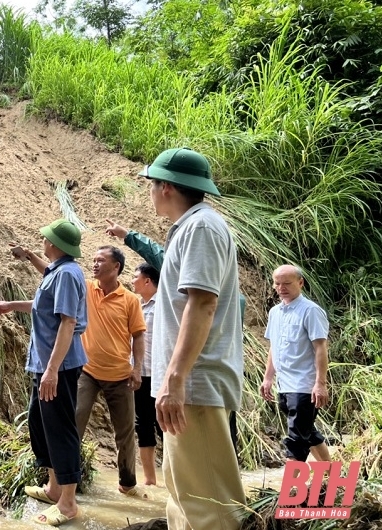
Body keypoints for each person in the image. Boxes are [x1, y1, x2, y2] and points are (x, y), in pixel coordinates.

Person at [140, 147, 245, 530]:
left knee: (211, 510)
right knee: (185, 500)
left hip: (194, 385)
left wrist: (175, 379)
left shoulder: (201, 228)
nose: (150, 191)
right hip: (187, 386)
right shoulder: (192, 227)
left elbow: (202, 304)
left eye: (152, 184)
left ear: (166, 187)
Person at [10, 242, 146, 497]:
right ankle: (69, 484)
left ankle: (127, 484)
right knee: (71, 422)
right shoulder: (85, 286)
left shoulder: (129, 300)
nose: (94, 264)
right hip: (88, 371)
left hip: (120, 375)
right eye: (93, 259)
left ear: (116, 267)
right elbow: (52, 274)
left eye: (100, 260)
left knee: (125, 432)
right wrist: (30, 256)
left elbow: (138, 336)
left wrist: (137, 368)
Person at [104, 221, 246, 457]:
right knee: (222, 445)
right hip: (222, 377)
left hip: (198, 379)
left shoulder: (208, 292)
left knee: (199, 449)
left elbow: (163, 258)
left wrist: (128, 235)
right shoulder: (233, 296)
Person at [0, 219, 87, 526]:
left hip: (59, 366)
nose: (42, 241)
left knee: (60, 428)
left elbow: (68, 322)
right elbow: (43, 303)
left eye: (45, 239)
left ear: (54, 244)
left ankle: (68, 504)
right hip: (45, 364)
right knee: (40, 423)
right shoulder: (59, 270)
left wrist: (53, 370)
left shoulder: (67, 274)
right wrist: (11, 304)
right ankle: (54, 488)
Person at [260, 264, 331, 462]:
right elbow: (274, 347)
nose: (281, 288)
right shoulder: (275, 312)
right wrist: (268, 378)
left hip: (304, 385)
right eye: (277, 283)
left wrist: (320, 383)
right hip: (284, 385)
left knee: (296, 440)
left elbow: (320, 348)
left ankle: (290, 483)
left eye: (287, 283)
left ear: (300, 283)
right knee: (308, 433)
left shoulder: (311, 311)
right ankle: (334, 476)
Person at [130, 262, 162, 486]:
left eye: (135, 277)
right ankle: (150, 480)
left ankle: (176, 479)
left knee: (165, 425)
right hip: (140, 374)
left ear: (147, 281)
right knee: (143, 424)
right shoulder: (136, 306)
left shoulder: (163, 305)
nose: (132, 280)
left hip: (160, 374)